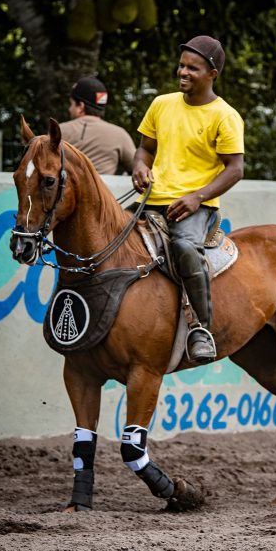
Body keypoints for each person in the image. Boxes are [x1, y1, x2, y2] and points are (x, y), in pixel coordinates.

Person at [132, 35, 244, 364]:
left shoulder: (225, 116)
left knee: (183, 248)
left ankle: (201, 329)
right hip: (153, 200)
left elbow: (235, 169)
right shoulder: (161, 104)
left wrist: (197, 197)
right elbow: (145, 149)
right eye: (181, 65)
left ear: (213, 74)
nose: (183, 72)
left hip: (197, 208)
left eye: (192, 68)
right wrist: (140, 166)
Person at [60, 75, 136, 175]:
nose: (69, 109)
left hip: (67, 190)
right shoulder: (120, 134)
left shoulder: (60, 130)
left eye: (71, 104)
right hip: (105, 189)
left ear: (80, 106)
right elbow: (137, 168)